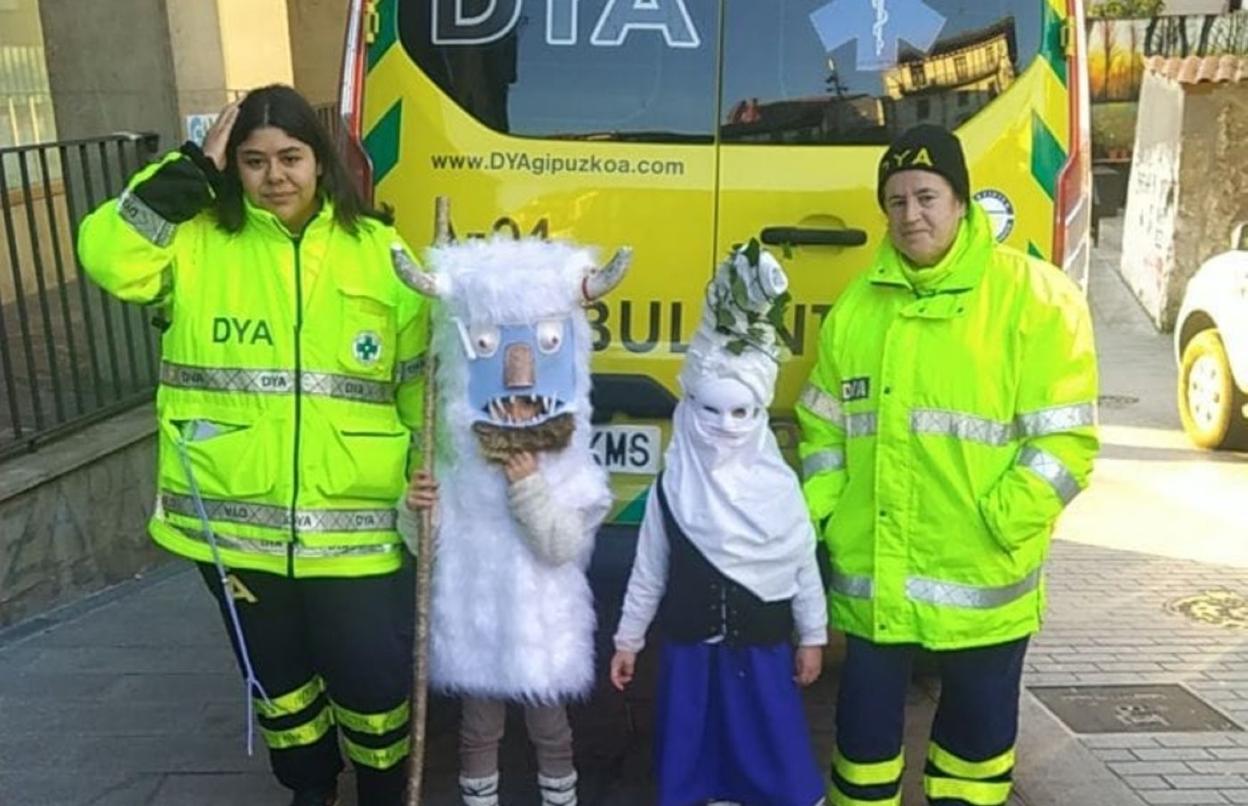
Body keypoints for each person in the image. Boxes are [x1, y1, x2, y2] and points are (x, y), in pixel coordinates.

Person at [77, 85, 430, 806]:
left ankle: (383, 788)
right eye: (254, 161)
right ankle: (309, 787)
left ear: (320, 161)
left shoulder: (379, 251)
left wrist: (433, 473)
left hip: (359, 528)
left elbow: (420, 383)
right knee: (279, 683)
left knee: (373, 680)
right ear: (231, 166)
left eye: (291, 157)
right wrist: (188, 173)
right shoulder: (194, 240)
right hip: (235, 525)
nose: (275, 177)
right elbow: (108, 257)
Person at [798, 124, 1100, 806]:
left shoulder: (1036, 298)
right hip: (875, 583)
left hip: (984, 584)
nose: (912, 214)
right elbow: (822, 430)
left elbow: (1066, 443)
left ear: (962, 201)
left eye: (927, 196)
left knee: (973, 766)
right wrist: (826, 518)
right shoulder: (856, 309)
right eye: (896, 200)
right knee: (862, 763)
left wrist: (1000, 524)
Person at [398, 237, 629, 806]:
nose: (519, 381)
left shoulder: (571, 472)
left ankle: (561, 799)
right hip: (478, 627)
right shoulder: (457, 468)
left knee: (551, 729)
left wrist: (528, 487)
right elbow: (428, 548)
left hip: (543, 630)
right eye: (492, 349)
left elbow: (561, 546)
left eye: (539, 351)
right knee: (478, 731)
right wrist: (417, 509)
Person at [609, 243, 828, 806]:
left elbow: (803, 567)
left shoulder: (780, 491)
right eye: (712, 410)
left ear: (759, 415)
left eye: (742, 412)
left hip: (762, 654)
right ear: (690, 407)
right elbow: (649, 570)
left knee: (769, 745)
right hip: (691, 658)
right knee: (693, 747)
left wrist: (813, 637)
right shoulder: (673, 487)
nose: (727, 425)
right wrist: (629, 639)